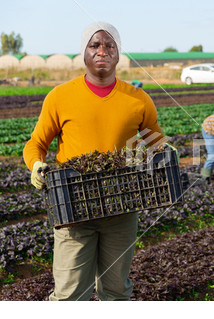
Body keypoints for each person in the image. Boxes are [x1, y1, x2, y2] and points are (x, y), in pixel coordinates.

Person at [23, 22, 165, 301]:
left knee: (116, 291)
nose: (103, 51)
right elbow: (36, 144)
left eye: (110, 45)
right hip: (74, 210)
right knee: (69, 294)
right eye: (95, 45)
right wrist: (36, 164)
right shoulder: (60, 97)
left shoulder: (138, 100)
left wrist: (165, 151)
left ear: (118, 53)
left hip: (122, 207)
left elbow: (156, 142)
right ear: (84, 53)